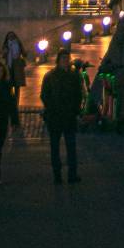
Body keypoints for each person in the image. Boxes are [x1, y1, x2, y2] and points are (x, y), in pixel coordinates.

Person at [41, 46, 82, 184]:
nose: (65, 61)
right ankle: (57, 175)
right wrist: (51, 107)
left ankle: (72, 174)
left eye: (67, 58)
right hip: (55, 116)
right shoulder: (50, 76)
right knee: (55, 147)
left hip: (69, 116)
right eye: (63, 58)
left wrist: (76, 110)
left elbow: (78, 95)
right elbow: (44, 95)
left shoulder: (74, 75)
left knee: (71, 147)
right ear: (58, 60)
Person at [3, 31, 27, 125]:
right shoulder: (6, 45)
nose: (11, 37)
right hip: (9, 66)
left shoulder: (18, 43)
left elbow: (24, 53)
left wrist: (25, 53)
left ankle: (16, 103)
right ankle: (10, 103)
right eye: (9, 36)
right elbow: (3, 55)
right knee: (9, 86)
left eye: (12, 36)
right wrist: (5, 52)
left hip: (17, 66)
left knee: (17, 86)